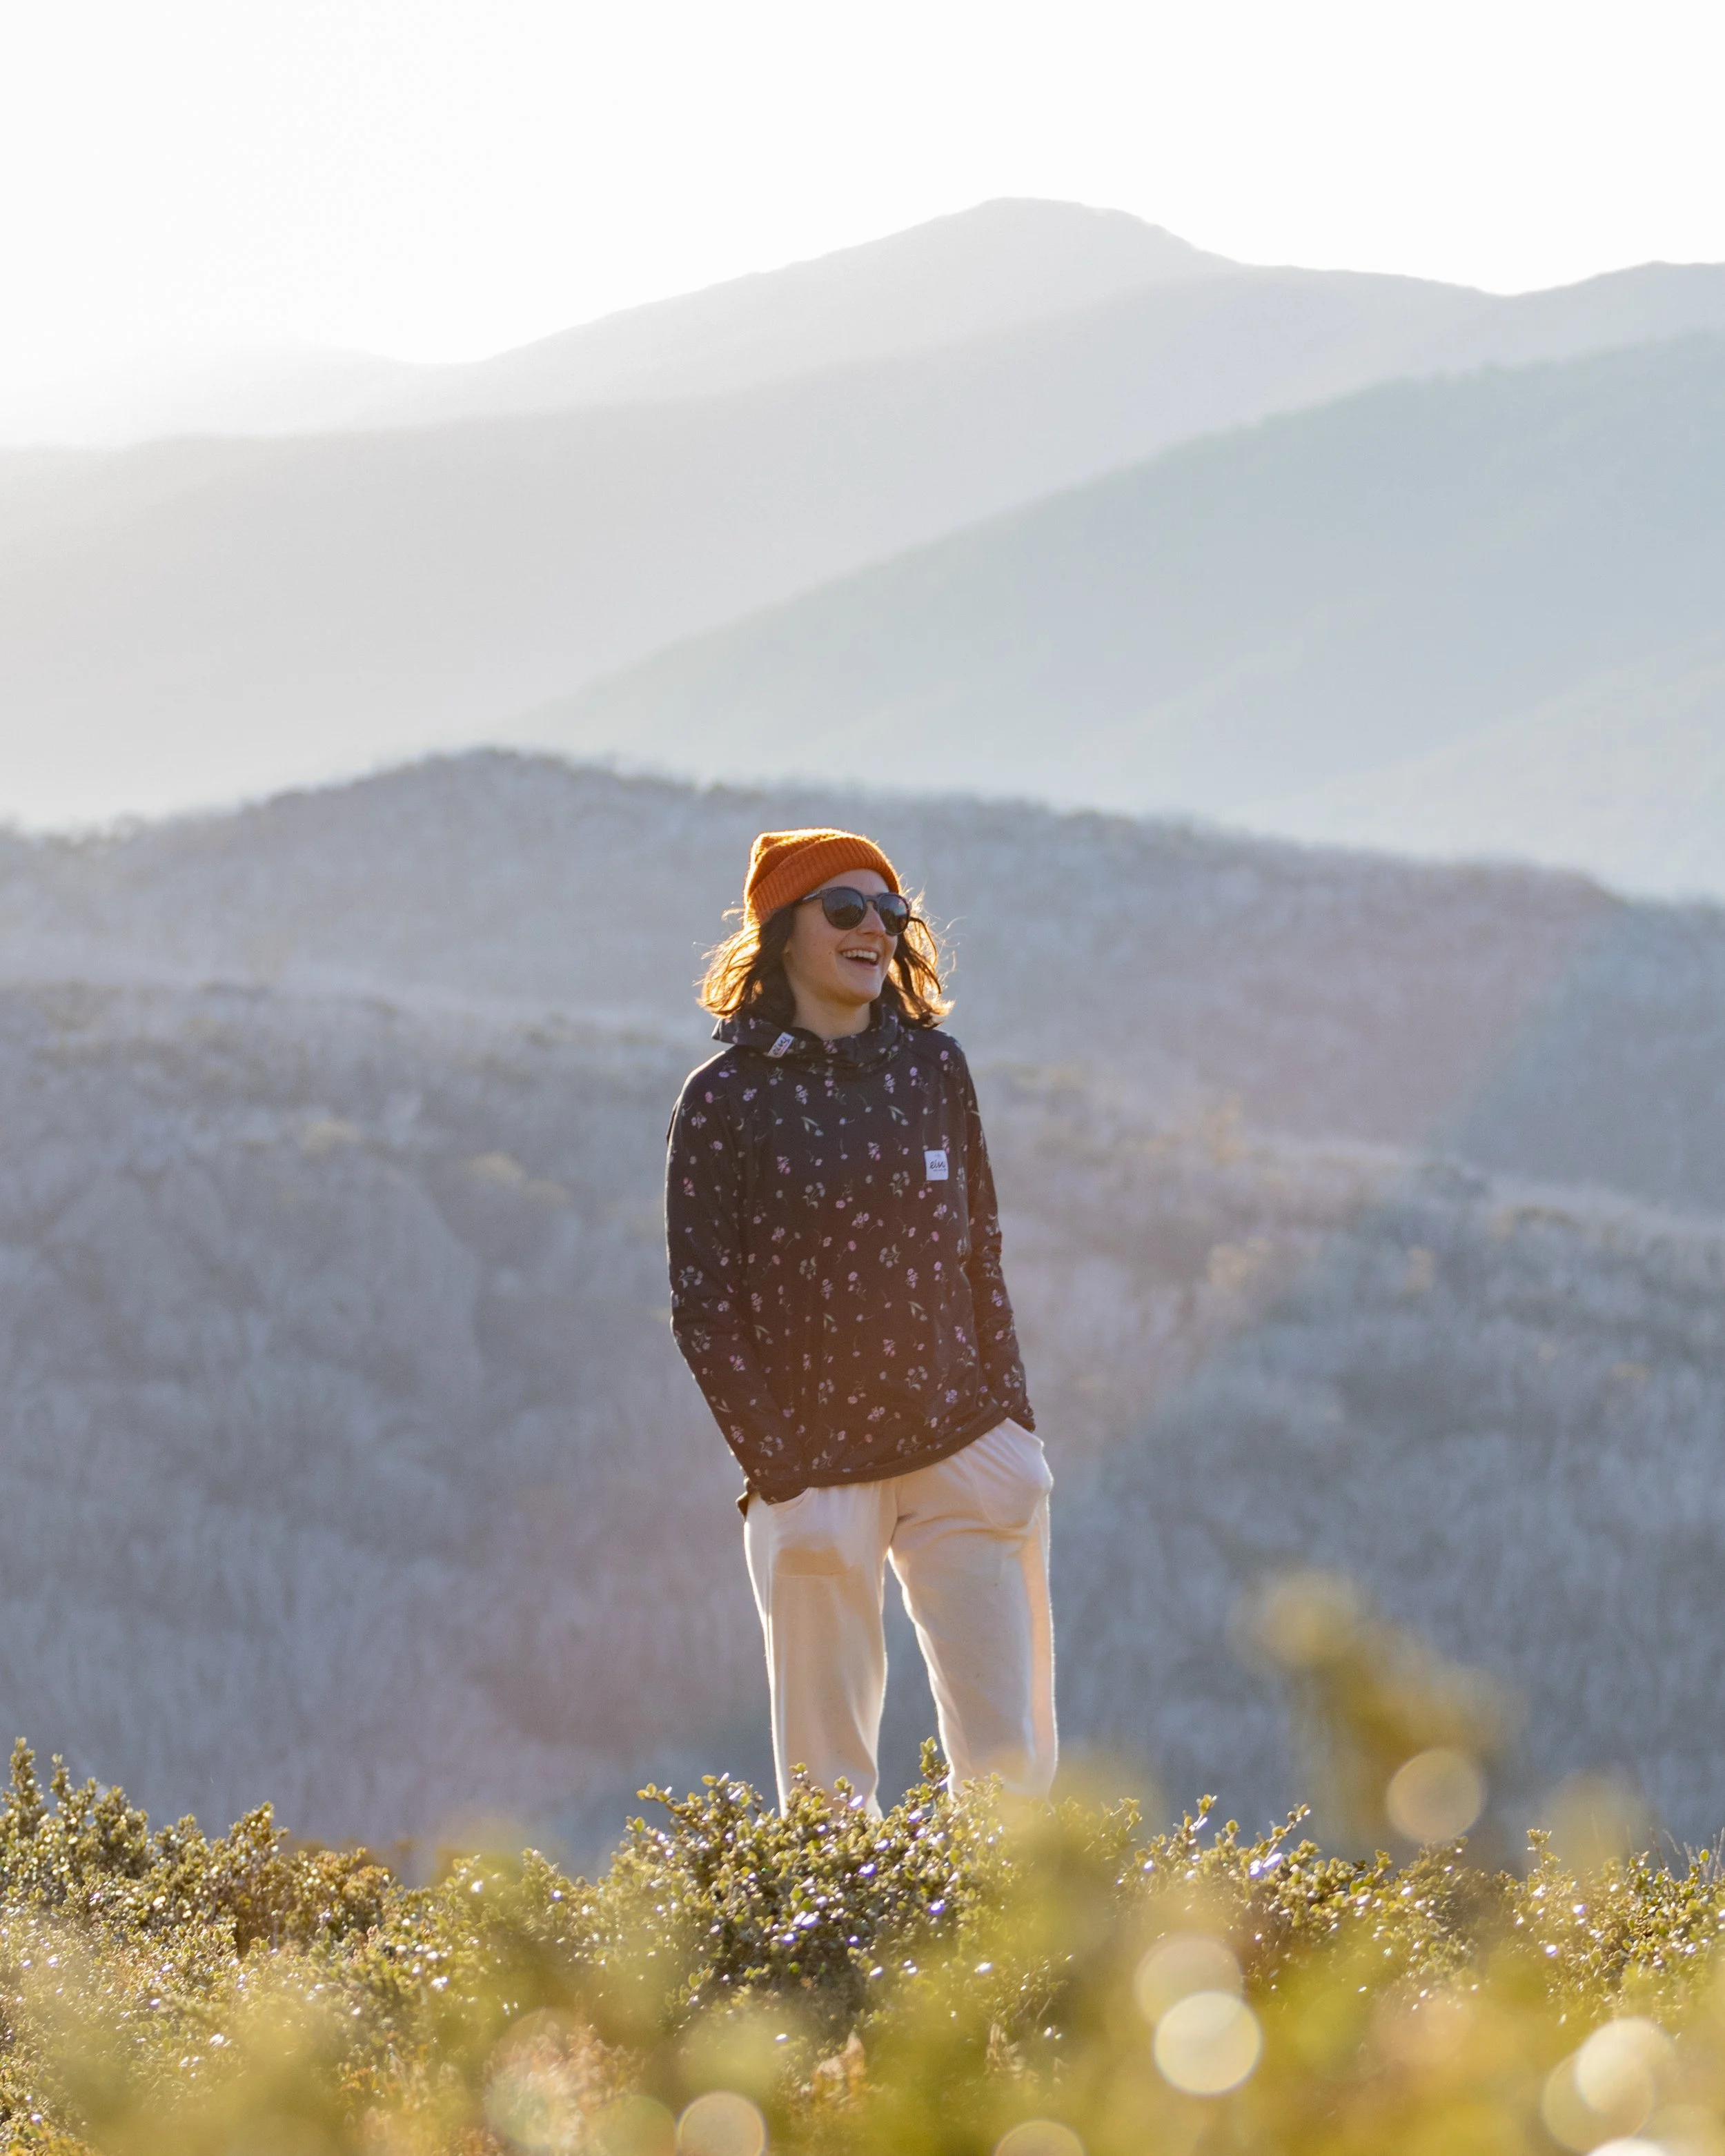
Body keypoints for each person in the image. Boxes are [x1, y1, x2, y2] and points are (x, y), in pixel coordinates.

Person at [665, 825, 1056, 1814]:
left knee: (1009, 1775)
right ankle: (841, 1965)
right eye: (845, 909)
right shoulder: (726, 1100)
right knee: (827, 1793)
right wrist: (780, 1469)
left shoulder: (935, 1071)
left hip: (960, 1445)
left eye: (891, 912)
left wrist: (1011, 1420)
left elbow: (980, 1251)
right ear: (781, 932)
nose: (874, 929)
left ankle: (1004, 1963)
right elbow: (703, 1303)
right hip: (816, 1477)